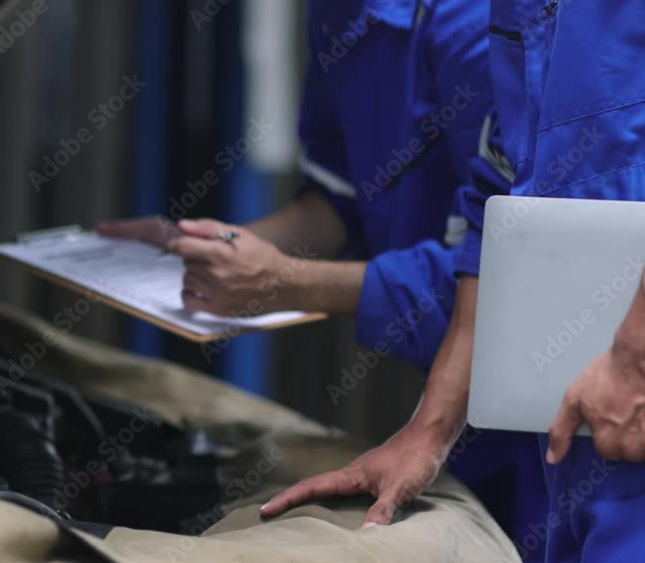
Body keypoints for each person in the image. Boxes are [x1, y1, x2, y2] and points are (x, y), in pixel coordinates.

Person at [100, 0, 545, 556]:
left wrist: (287, 282)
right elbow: (342, 203)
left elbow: (503, 274)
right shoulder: (338, 16)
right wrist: (204, 246)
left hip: (540, 422)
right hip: (447, 418)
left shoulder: (478, 30)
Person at [262, 1, 645, 561]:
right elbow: (500, 200)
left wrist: (635, 356)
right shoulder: (518, 12)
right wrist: (427, 432)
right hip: (580, 435)